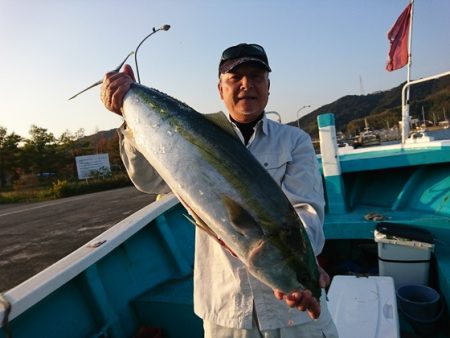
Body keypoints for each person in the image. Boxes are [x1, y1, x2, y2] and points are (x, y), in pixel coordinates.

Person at [101, 43, 338, 338]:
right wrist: (129, 112)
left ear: (268, 86)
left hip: (293, 313)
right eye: (235, 78)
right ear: (220, 88)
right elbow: (150, 181)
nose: (246, 85)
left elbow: (307, 211)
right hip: (226, 308)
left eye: (256, 76)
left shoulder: (295, 141)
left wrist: (304, 273)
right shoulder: (189, 133)